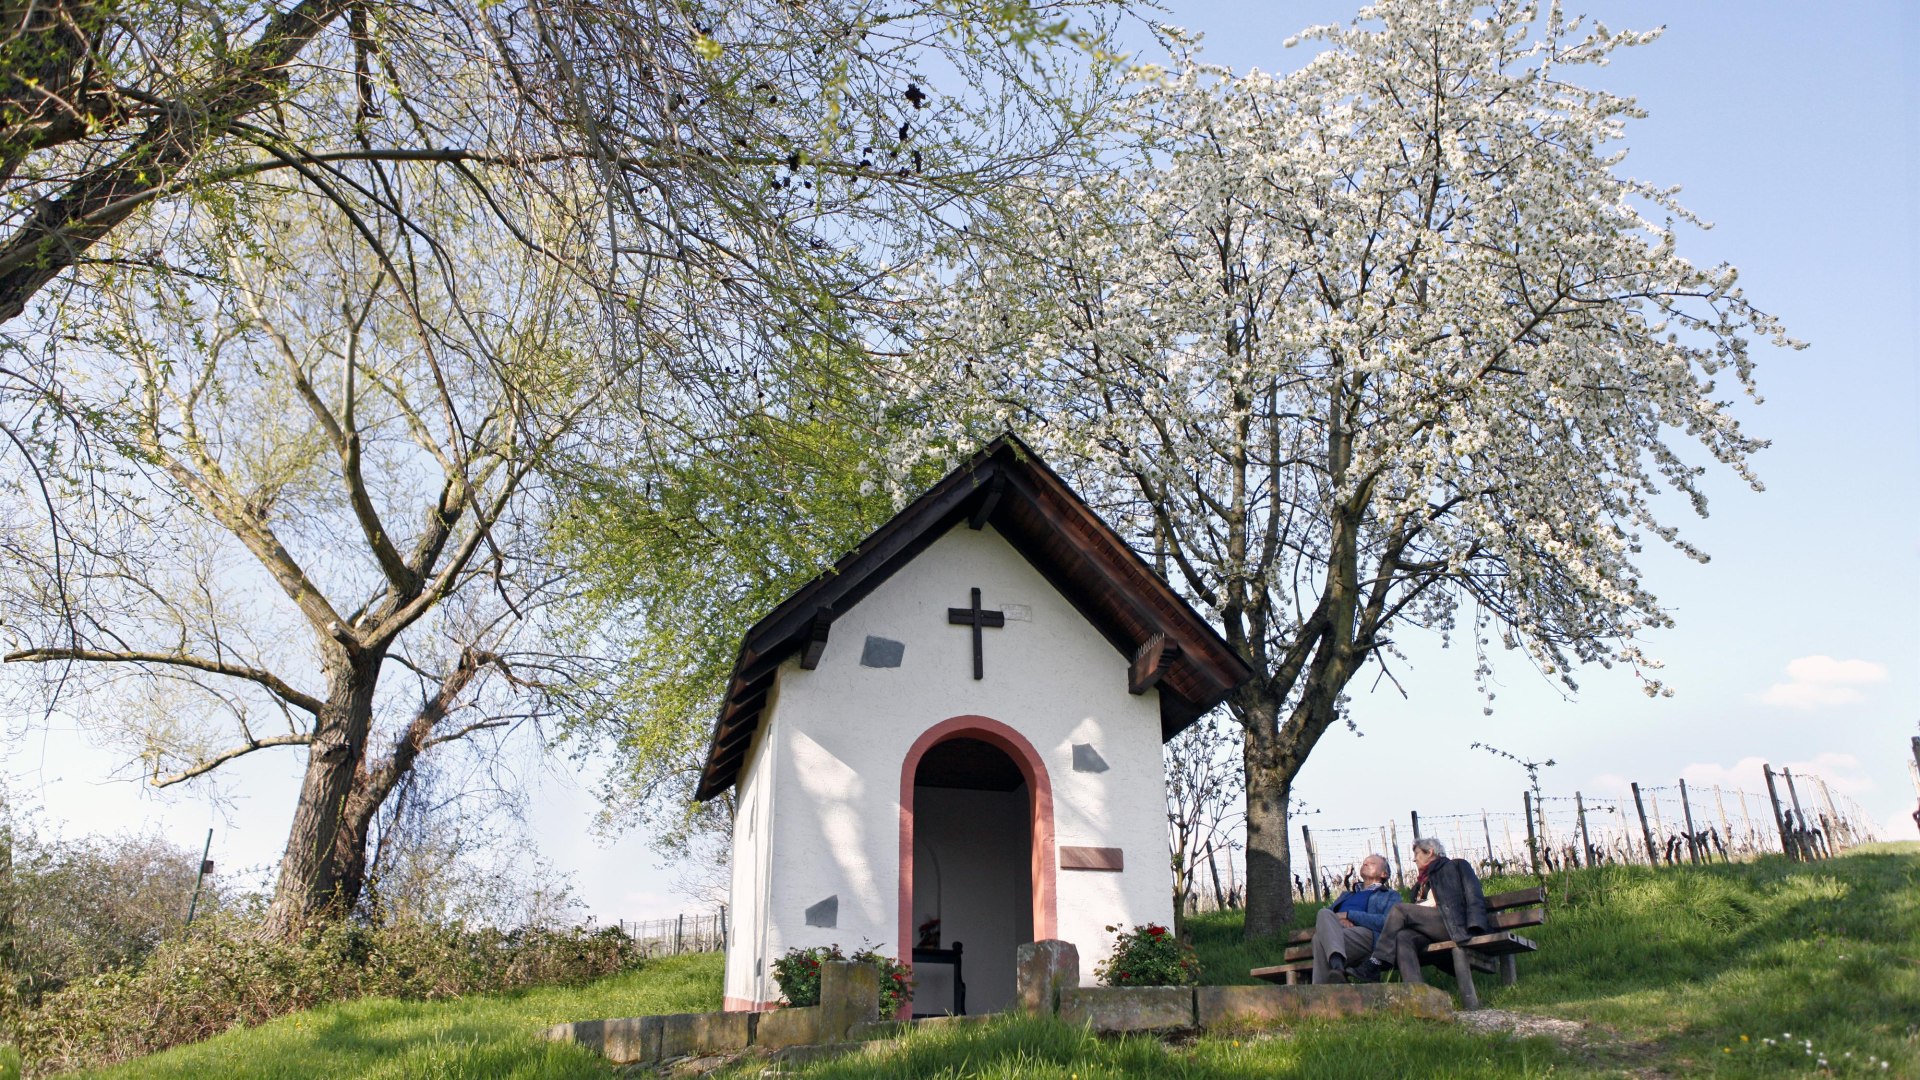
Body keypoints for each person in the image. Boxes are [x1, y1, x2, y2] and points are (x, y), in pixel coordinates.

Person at [1348, 837, 1489, 985]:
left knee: (1399, 910)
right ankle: (1416, 992)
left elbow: (1474, 894)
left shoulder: (1456, 865)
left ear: (1430, 852)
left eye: (1416, 854)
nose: (1414, 860)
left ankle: (1375, 962)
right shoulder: (1419, 885)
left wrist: (1476, 927)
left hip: (1453, 925)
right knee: (1403, 937)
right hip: (1431, 929)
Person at [1311, 853, 1399, 984]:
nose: (1366, 864)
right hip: (1339, 934)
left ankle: (1320, 997)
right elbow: (1325, 920)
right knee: (1323, 913)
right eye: (1364, 862)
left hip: (1366, 935)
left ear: (1384, 874)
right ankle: (1337, 968)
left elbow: (1387, 922)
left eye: (1372, 863)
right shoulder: (1346, 895)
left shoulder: (1390, 895)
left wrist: (1349, 915)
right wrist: (1339, 920)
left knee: (1318, 940)